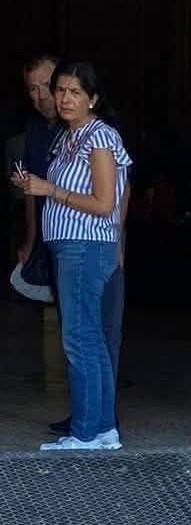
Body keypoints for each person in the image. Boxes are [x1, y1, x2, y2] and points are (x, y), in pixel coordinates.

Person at [11, 60, 132, 451]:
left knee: (80, 341)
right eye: (60, 89)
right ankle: (103, 430)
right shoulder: (69, 137)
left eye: (75, 92)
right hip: (71, 247)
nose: (63, 98)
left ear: (92, 99)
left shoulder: (99, 137)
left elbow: (104, 202)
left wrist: (50, 190)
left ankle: (84, 433)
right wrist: (34, 187)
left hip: (85, 248)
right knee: (90, 340)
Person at [17, 53, 58, 270]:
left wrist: (117, 242)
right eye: (33, 89)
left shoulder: (84, 127)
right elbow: (30, 190)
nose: (42, 95)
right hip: (47, 241)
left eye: (47, 84)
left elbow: (120, 188)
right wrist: (30, 240)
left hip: (86, 243)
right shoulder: (34, 129)